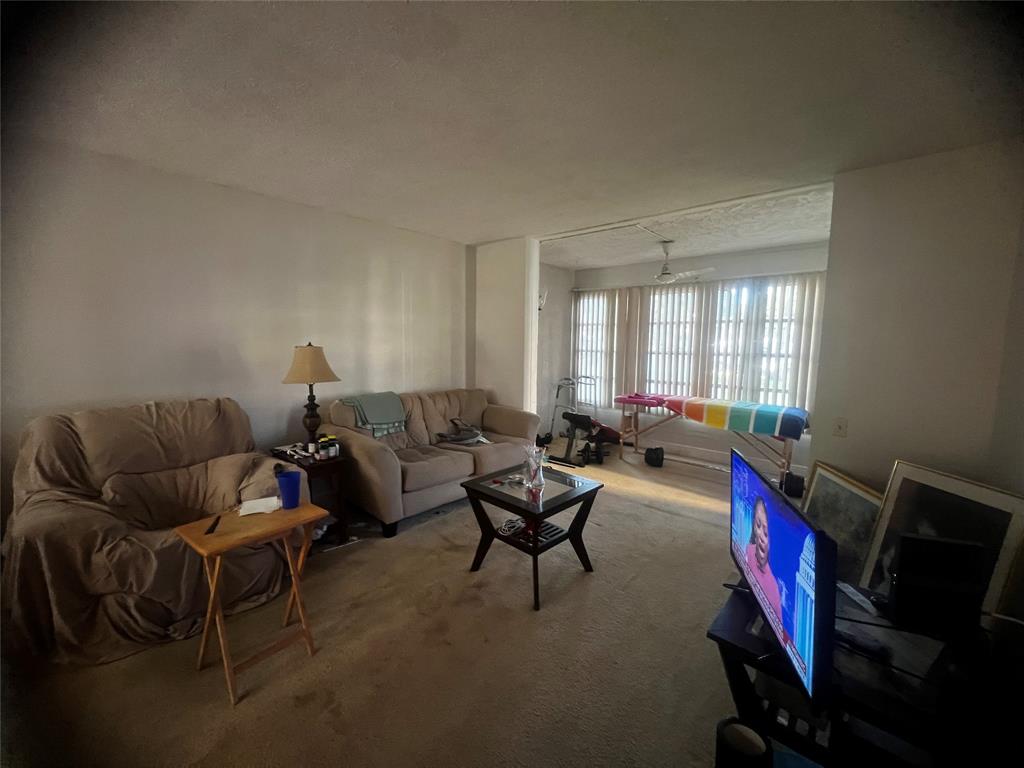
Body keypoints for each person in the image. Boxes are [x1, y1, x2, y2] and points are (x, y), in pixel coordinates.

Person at [745, 497, 784, 625]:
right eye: (758, 525)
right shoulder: (750, 549)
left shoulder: (773, 590)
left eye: (766, 533)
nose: (761, 535)